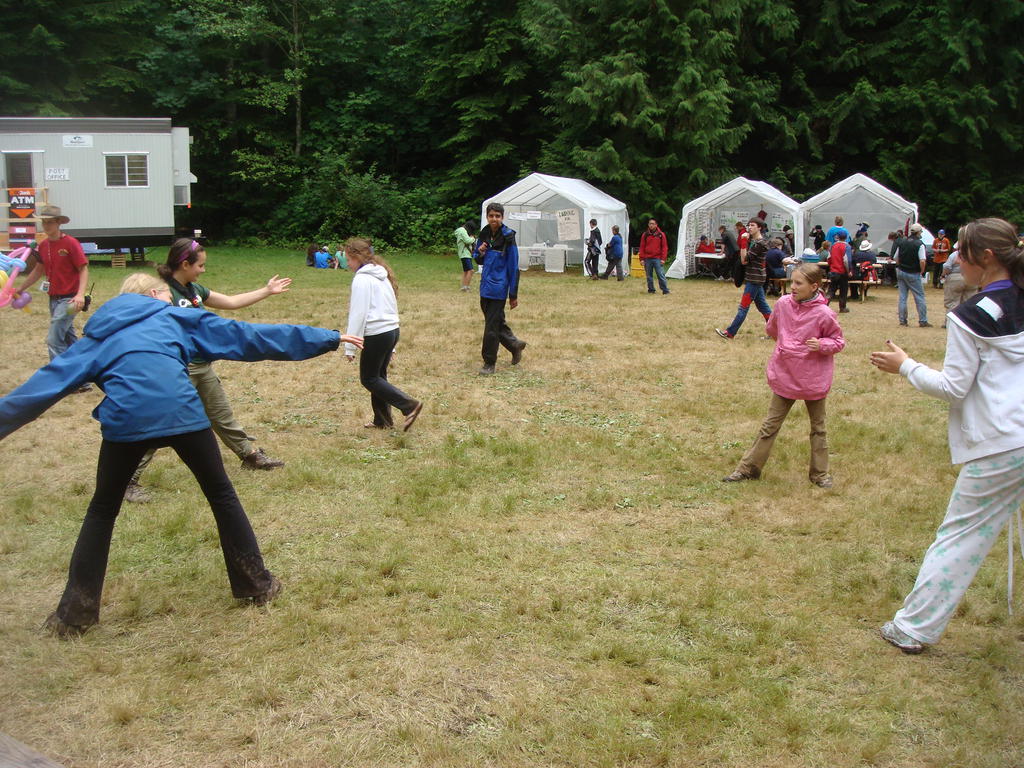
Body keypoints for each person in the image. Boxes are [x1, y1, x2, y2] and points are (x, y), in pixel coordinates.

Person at [0, 272, 363, 637]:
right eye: (166, 296)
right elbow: (249, 336)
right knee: (221, 494)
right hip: (181, 412)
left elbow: (45, 385)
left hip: (127, 419)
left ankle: (73, 615)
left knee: (102, 509)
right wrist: (326, 338)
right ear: (155, 294)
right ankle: (257, 585)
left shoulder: (99, 334)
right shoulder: (174, 316)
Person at [871, 218, 1024, 654]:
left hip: (1003, 441)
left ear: (985, 258)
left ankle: (913, 628)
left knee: (961, 535)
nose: (955, 257)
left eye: (961, 250)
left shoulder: (969, 316)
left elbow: (954, 387)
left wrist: (906, 366)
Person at [124, 239, 294, 504]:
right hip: (178, 368)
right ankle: (127, 479)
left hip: (202, 365)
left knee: (220, 414)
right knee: (162, 421)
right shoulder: (163, 292)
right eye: (200, 265)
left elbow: (231, 301)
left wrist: (267, 290)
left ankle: (249, 455)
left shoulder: (194, 290)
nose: (203, 270)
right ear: (185, 264)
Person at [722, 263, 844, 487]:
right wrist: (788, 348)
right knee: (770, 425)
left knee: (818, 428)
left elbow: (838, 341)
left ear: (814, 286)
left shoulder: (824, 314)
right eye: (792, 282)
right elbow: (773, 329)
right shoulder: (783, 304)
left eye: (798, 283)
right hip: (786, 374)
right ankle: (748, 469)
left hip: (813, 378)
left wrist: (821, 345)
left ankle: (820, 474)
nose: (792, 287)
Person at [343, 237, 423, 431]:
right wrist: (392, 344)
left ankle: (409, 406)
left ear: (357, 257)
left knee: (369, 378)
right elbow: (391, 306)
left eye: (348, 259)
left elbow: (358, 314)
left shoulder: (362, 278)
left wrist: (350, 346)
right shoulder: (382, 274)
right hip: (391, 331)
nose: (347, 263)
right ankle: (382, 420)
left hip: (377, 334)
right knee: (378, 376)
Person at [14, 205, 91, 375]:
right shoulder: (43, 246)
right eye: (44, 222)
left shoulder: (70, 243)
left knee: (54, 339)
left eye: (50, 222)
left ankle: (59, 377)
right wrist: (20, 288)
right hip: (54, 299)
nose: (46, 226)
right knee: (68, 338)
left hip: (70, 300)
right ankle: (83, 377)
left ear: (58, 223)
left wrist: (80, 295)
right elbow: (38, 270)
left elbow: (83, 269)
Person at [475, 202, 527, 375]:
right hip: (485, 286)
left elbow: (513, 267)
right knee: (494, 321)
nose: (494, 219)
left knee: (491, 327)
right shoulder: (484, 234)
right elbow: (478, 259)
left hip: (499, 288)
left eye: (497, 216)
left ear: (502, 217)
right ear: (487, 217)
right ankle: (514, 344)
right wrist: (480, 251)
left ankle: (489, 362)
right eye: (491, 216)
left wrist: (513, 294)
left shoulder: (508, 237)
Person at [716, 217, 772, 339]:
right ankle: (776, 331)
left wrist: (743, 242)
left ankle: (730, 332)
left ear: (759, 228)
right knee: (763, 307)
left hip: (755, 279)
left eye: (752, 225)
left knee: (743, 307)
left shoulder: (760, 243)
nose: (749, 228)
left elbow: (744, 260)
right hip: (755, 278)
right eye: (749, 225)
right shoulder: (755, 241)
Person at [895, 222, 930, 327]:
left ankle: (902, 320)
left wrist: (900, 266)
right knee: (919, 297)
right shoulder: (919, 244)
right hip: (913, 273)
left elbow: (896, 258)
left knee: (902, 297)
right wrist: (922, 271)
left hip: (901, 271)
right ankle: (923, 320)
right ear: (918, 232)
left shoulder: (902, 242)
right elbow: (922, 260)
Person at [940, 244, 977, 326]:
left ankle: (950, 322)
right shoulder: (974, 254)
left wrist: (943, 275)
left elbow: (947, 267)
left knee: (952, 302)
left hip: (955, 278)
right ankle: (966, 323)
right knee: (968, 302)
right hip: (971, 278)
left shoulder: (954, 255)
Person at [638, 218, 670, 294]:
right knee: (649, 276)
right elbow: (642, 247)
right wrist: (641, 259)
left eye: (653, 224)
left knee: (660, 274)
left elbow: (664, 247)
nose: (651, 225)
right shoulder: (645, 235)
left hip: (657, 258)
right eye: (650, 224)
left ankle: (665, 290)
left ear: (656, 225)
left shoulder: (661, 235)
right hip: (647, 258)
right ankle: (651, 290)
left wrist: (663, 259)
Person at [826, 231, 852, 312]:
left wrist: (831, 266)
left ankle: (824, 305)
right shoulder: (847, 247)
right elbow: (847, 261)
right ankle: (842, 307)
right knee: (843, 290)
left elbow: (829, 258)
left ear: (837, 237)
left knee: (831, 290)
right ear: (846, 237)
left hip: (834, 271)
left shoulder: (833, 246)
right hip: (842, 271)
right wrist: (849, 271)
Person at [454, 219, 477, 291]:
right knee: (471, 271)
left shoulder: (461, 231)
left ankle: (463, 286)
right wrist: (473, 238)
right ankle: (466, 287)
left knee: (466, 271)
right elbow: (467, 241)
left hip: (464, 253)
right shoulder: (462, 231)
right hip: (465, 254)